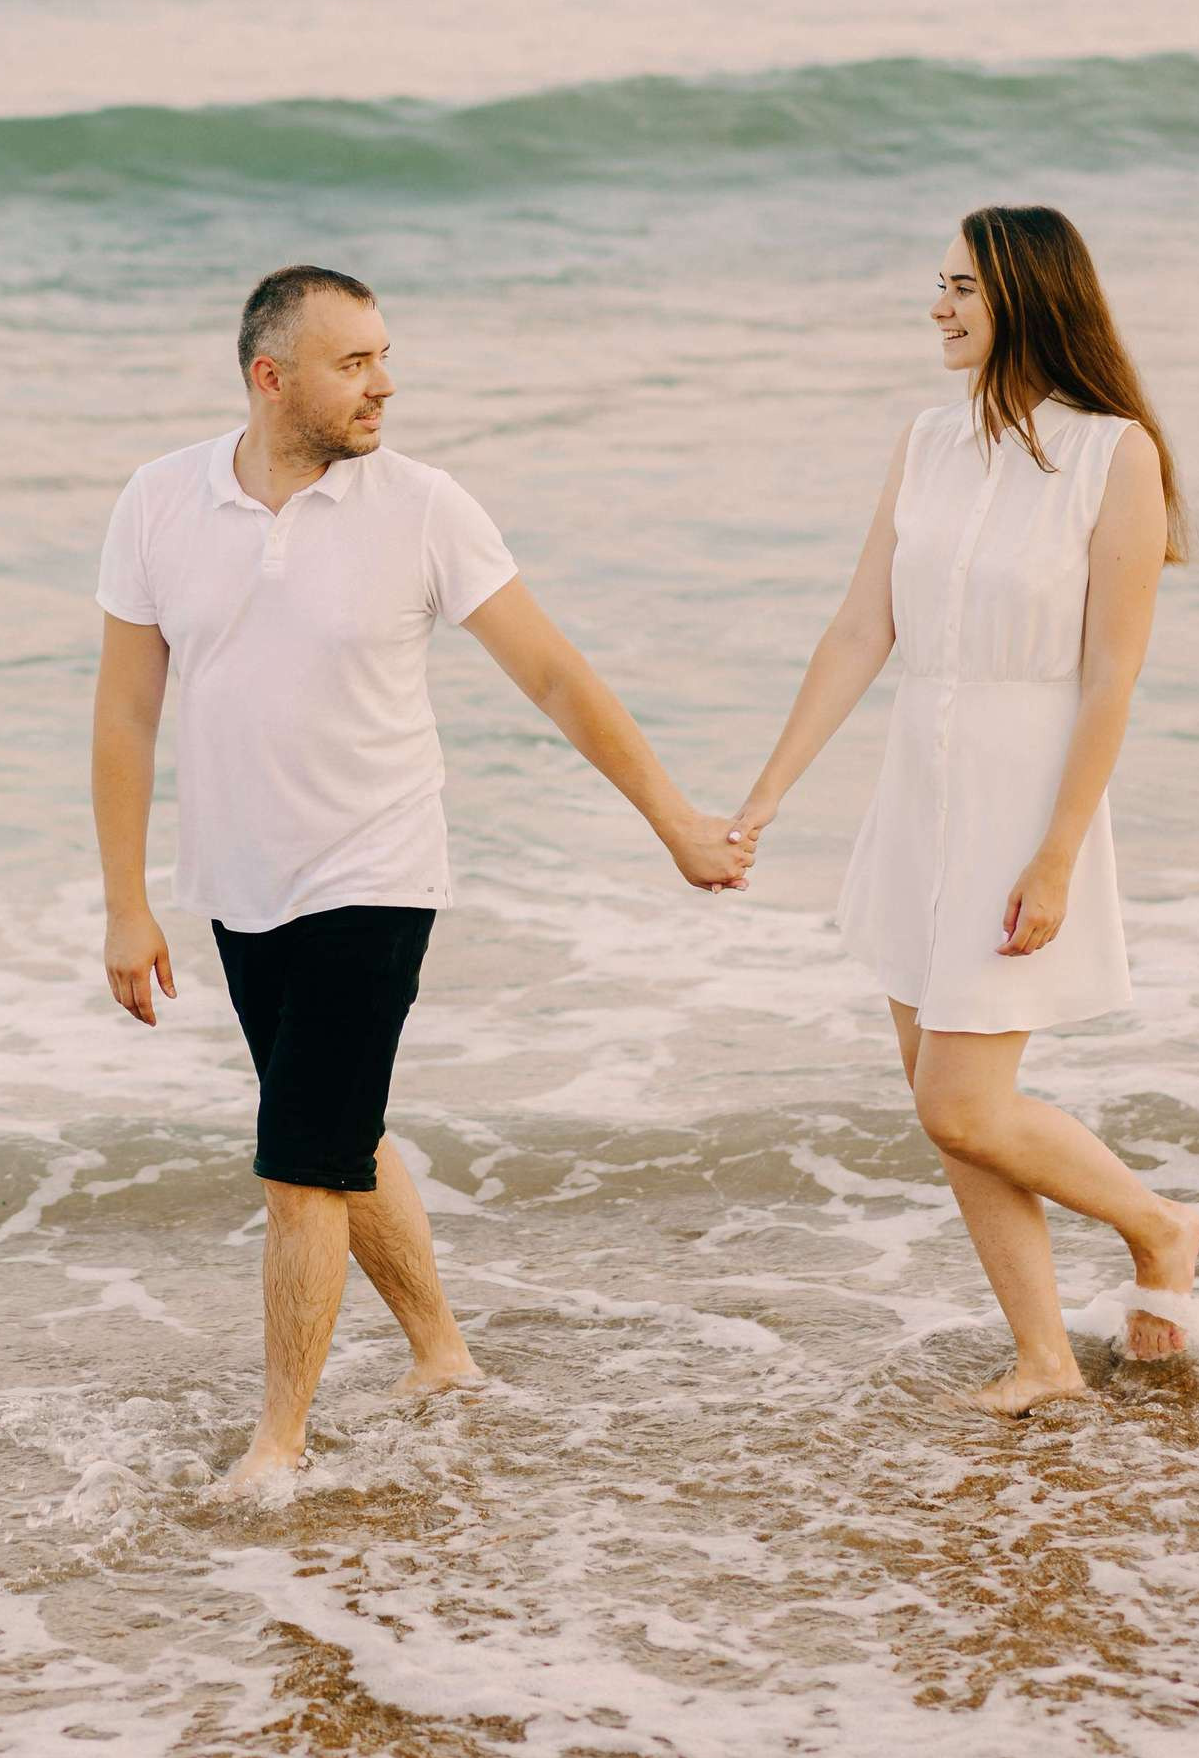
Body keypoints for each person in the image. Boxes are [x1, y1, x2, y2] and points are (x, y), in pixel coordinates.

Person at [92, 263, 753, 1496]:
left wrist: (672, 821)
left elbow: (552, 675)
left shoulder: (423, 507)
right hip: (239, 880)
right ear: (270, 377)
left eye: (385, 356)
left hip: (376, 868)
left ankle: (276, 1447)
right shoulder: (158, 501)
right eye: (353, 363)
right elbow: (125, 711)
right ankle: (442, 1354)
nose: (383, 384)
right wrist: (126, 902)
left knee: (298, 1161)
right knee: (338, 1133)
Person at [732, 205, 1199, 1415]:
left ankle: (1157, 1228)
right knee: (949, 1114)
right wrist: (768, 793)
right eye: (936, 284)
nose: (936, 307)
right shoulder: (925, 442)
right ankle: (1043, 1360)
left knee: (961, 1100)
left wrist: (1054, 856)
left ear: (1026, 299)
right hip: (916, 794)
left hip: (1019, 794)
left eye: (961, 288)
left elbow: (1110, 676)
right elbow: (860, 629)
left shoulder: (1114, 456)